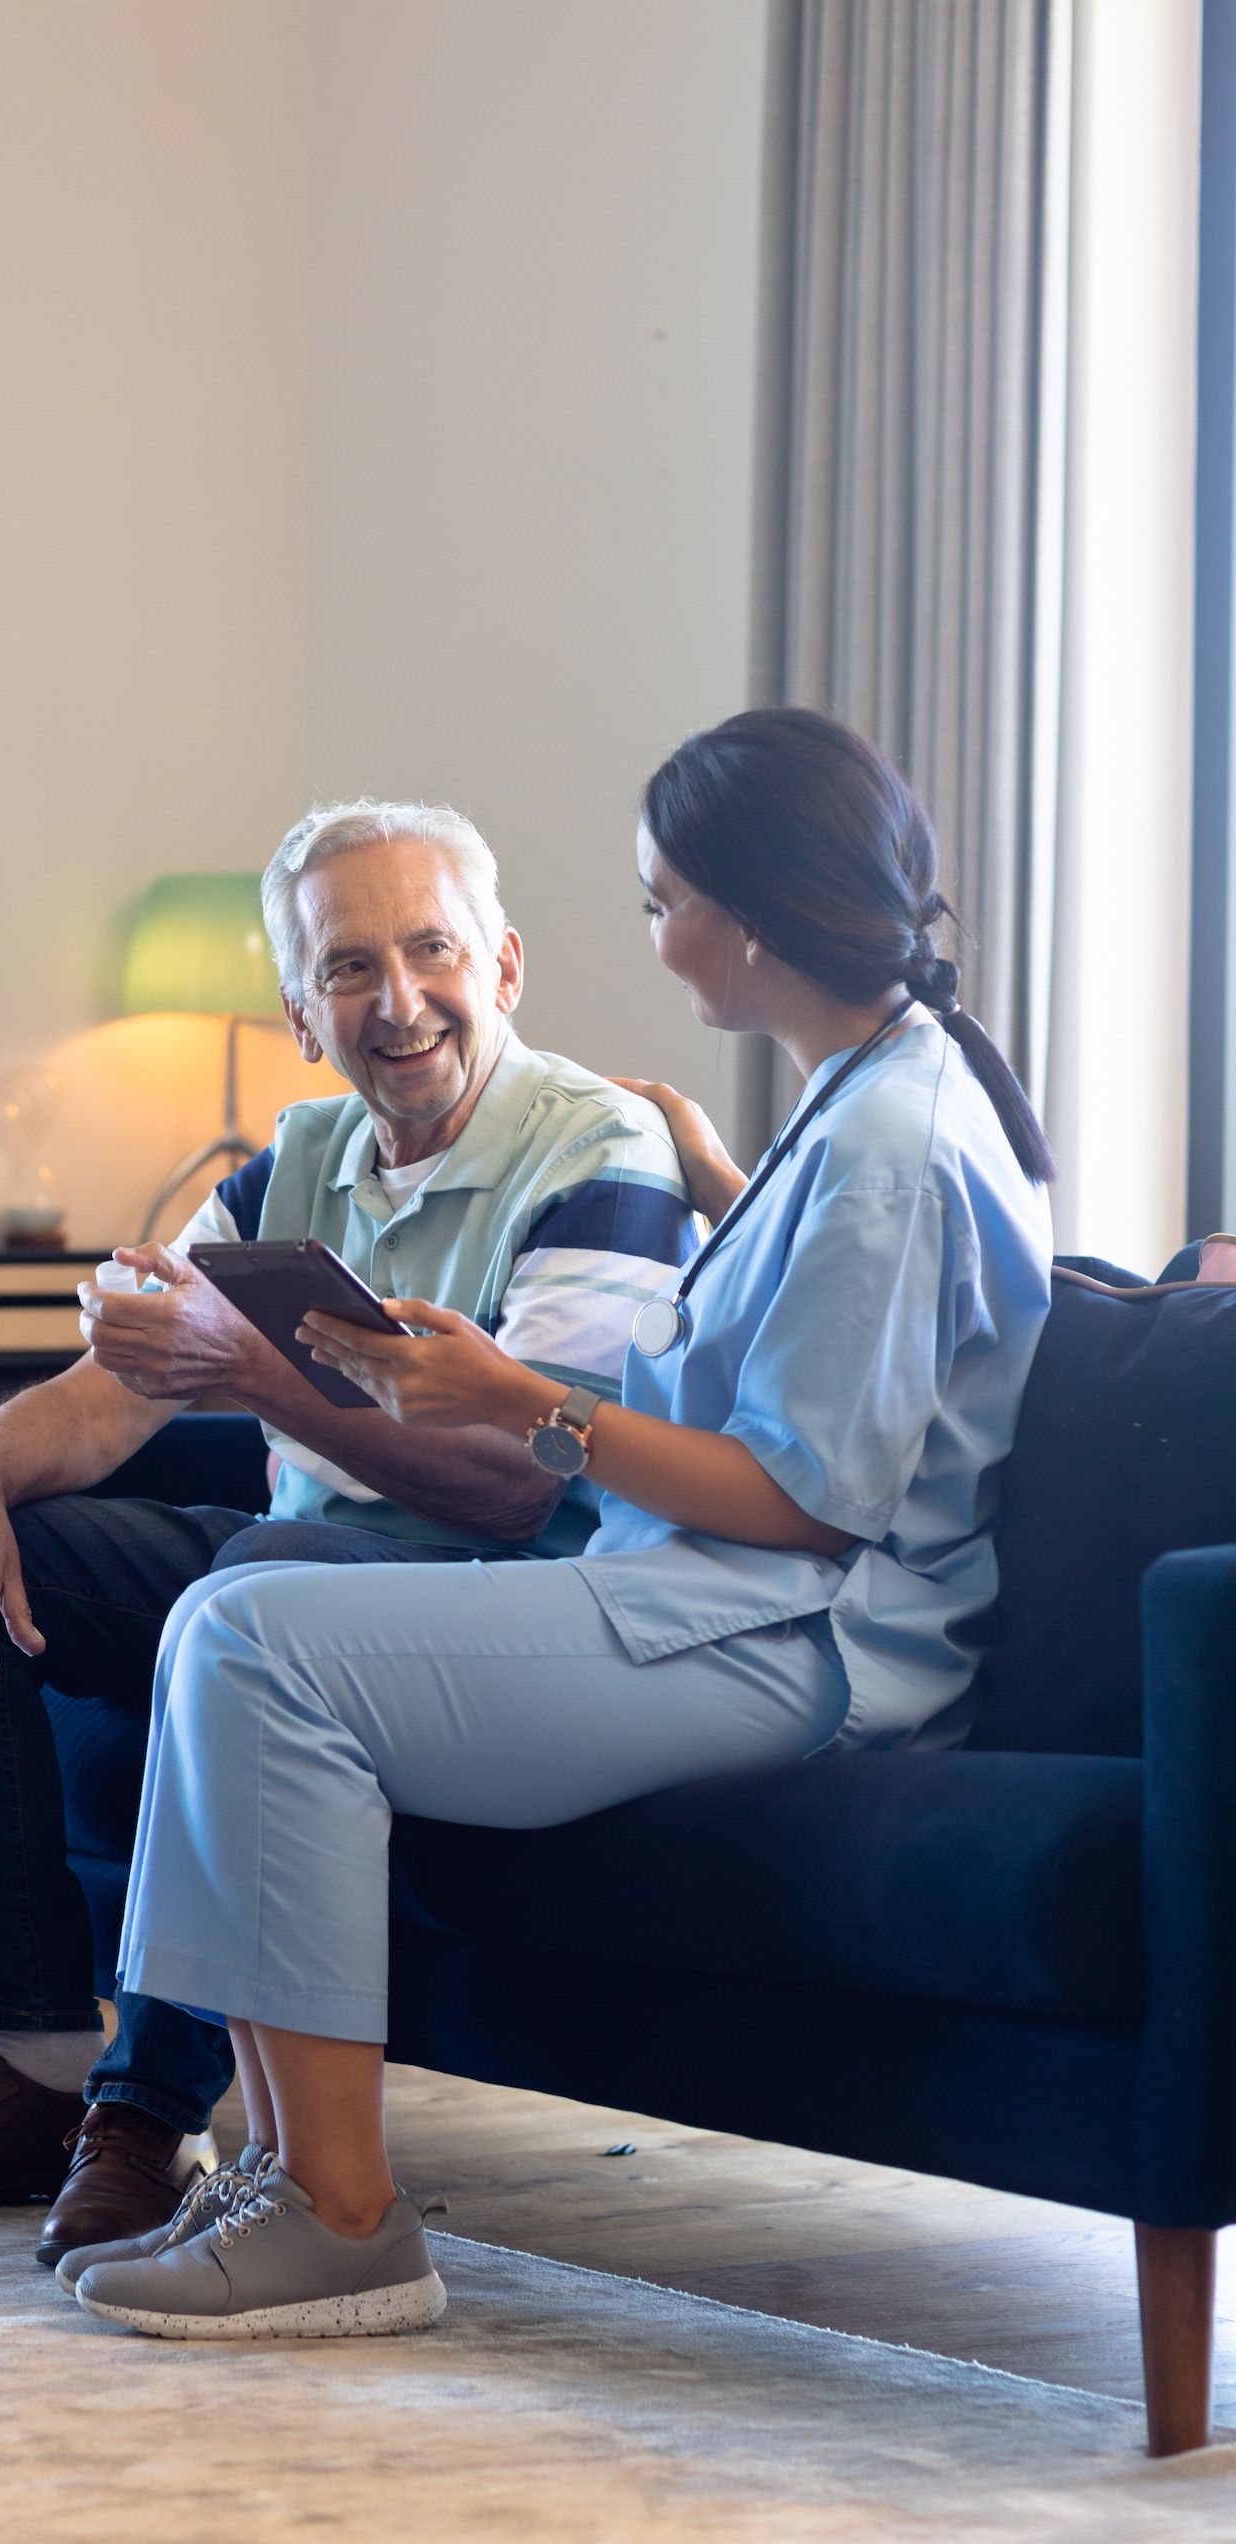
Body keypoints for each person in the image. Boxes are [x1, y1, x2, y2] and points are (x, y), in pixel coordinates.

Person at [70, 708, 1056, 2342]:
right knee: (228, 1621)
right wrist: (727, 1176)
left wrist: (515, 1400)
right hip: (715, 1601)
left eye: (664, 901)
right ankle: (275, 2183)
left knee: (253, 1639)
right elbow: (834, 1335)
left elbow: (811, 1510)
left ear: (745, 916)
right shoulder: (864, 1093)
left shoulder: (888, 1135)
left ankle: (338, 2216)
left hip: (801, 1641)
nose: (657, 938)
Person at [0, 798, 694, 2259]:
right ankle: (31, 2068)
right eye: (347, 970)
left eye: (430, 951)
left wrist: (263, 1376)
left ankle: (145, 2114)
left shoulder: (602, 1155)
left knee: (254, 1593)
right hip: (304, 1570)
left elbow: (522, 1487)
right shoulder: (295, 1158)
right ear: (300, 1008)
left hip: (509, 1607)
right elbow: (103, 1402)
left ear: (505, 968)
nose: (396, 1003)